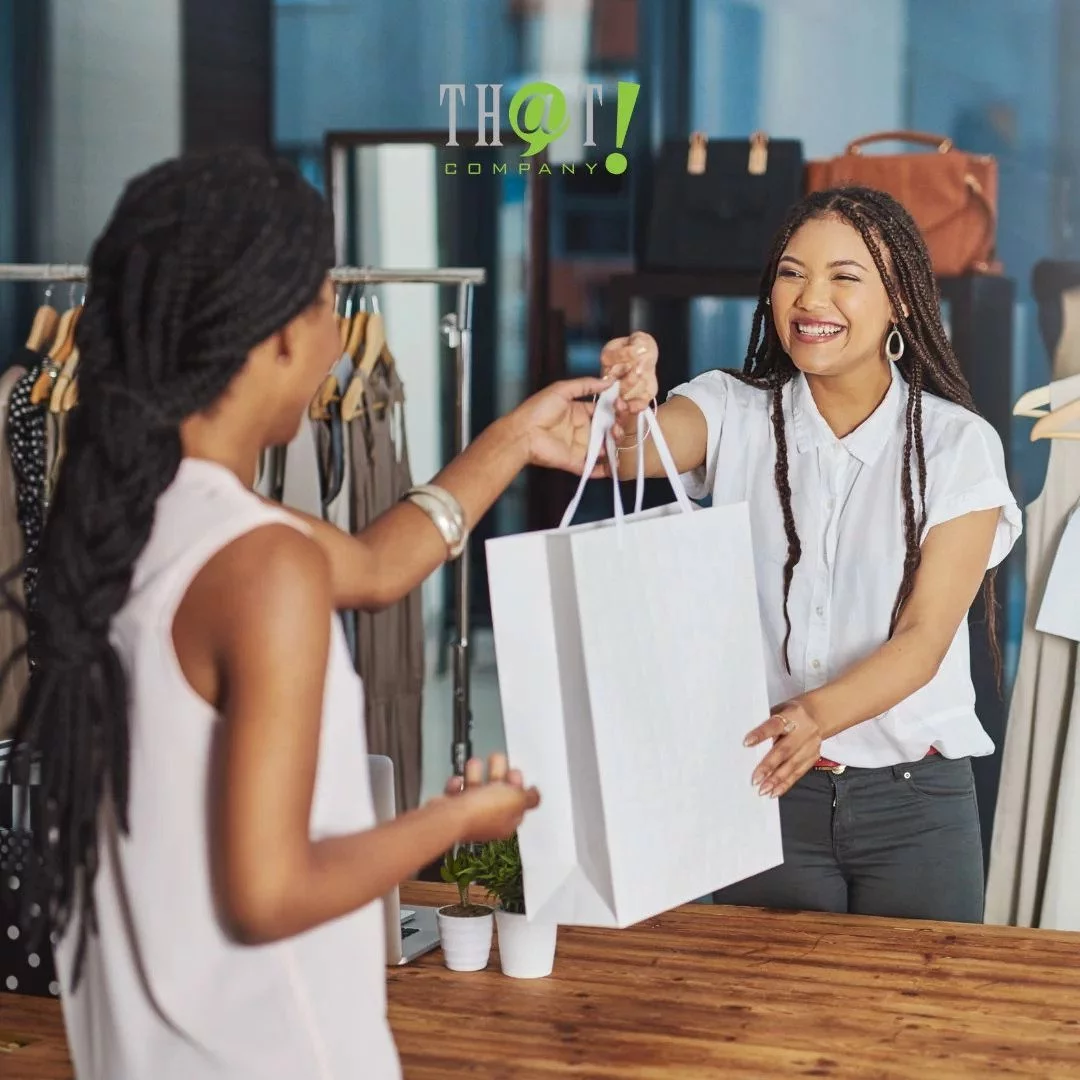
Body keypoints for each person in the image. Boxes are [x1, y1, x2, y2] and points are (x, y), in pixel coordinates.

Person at [0, 149, 632, 1080]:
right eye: (327, 308)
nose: (339, 339)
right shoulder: (263, 564)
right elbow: (269, 891)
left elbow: (378, 567)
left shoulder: (131, 520)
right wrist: (453, 825)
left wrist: (514, 440)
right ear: (278, 339)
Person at [601, 186, 1022, 924]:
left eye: (845, 276)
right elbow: (632, 451)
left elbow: (924, 641)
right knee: (762, 1028)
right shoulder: (729, 409)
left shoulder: (959, 447)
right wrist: (629, 401)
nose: (810, 296)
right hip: (768, 793)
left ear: (901, 302)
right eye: (793, 272)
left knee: (918, 1032)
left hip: (916, 807)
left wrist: (812, 718)